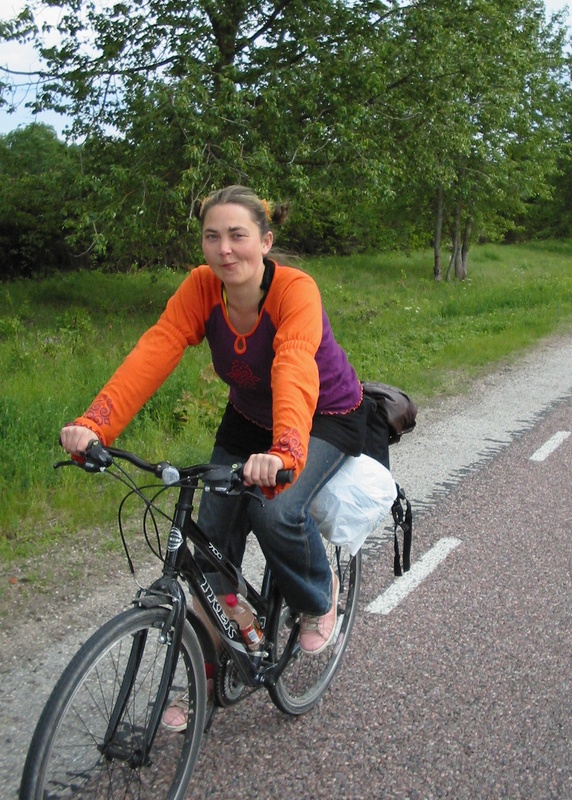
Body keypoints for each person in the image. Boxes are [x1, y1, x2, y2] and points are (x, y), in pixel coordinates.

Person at [60, 184, 367, 677]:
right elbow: (155, 350)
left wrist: (286, 451)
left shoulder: (295, 290)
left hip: (323, 418)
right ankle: (218, 657)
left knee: (274, 512)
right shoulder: (202, 288)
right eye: (212, 236)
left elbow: (292, 364)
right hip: (248, 418)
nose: (224, 249)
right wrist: (94, 423)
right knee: (210, 539)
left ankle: (317, 593)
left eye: (237, 235)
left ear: (265, 241)